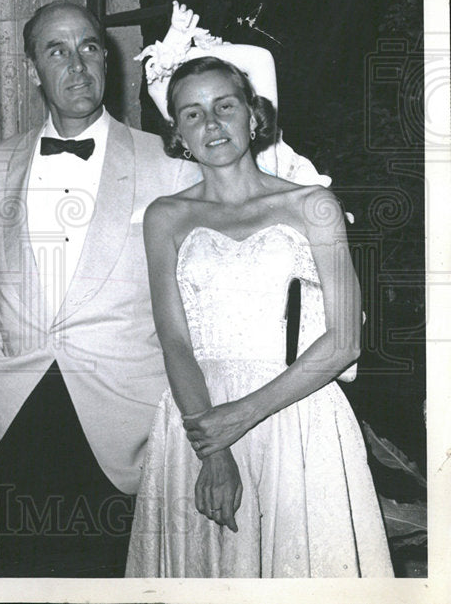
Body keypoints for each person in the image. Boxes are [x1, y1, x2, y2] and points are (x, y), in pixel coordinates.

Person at [0, 1, 325, 577]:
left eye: (89, 47)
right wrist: (0, 353)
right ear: (31, 68)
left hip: (127, 414)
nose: (77, 64)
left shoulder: (171, 159)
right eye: (57, 50)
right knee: (26, 573)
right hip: (20, 404)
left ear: (106, 59)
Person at [124, 54, 393, 577]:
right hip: (198, 420)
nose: (212, 123)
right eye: (193, 113)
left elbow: (345, 342)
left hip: (297, 413)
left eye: (225, 105)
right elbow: (174, 340)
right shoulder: (165, 217)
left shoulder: (313, 205)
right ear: (176, 132)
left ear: (253, 115)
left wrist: (239, 417)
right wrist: (213, 449)